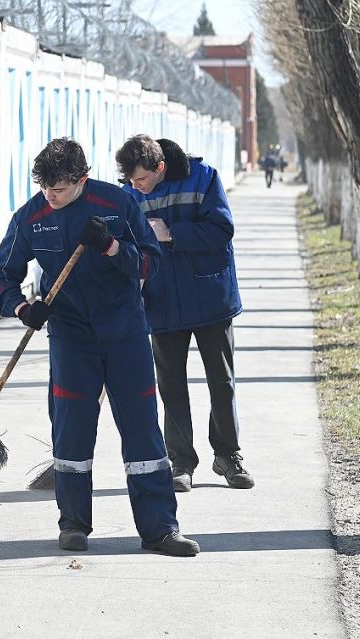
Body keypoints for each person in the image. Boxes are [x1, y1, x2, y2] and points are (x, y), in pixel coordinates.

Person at [0, 137, 199, 557]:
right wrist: (21, 307)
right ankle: (73, 525)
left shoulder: (117, 203)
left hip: (125, 333)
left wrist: (112, 246)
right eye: (45, 188)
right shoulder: (32, 216)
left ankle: (159, 528)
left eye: (60, 189)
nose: (52, 196)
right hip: (70, 337)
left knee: (142, 431)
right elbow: (0, 277)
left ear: (82, 179)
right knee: (71, 432)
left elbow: (151, 263)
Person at [116, 134, 254, 493]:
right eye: (130, 180)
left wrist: (172, 232)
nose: (136, 186)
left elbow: (222, 229)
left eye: (142, 179)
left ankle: (228, 455)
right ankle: (181, 461)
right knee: (171, 385)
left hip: (209, 296)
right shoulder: (129, 195)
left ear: (160, 167)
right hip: (160, 300)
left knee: (221, 382)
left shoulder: (203, 177)